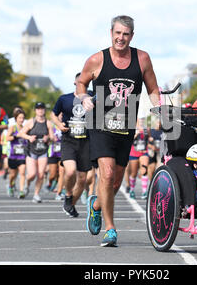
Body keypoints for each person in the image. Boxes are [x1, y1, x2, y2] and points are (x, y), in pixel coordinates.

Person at [78, 15, 160, 247]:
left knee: (115, 183)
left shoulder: (142, 58)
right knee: (106, 173)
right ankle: (111, 229)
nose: (121, 38)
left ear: (131, 36)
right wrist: (84, 97)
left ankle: (96, 206)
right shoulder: (96, 59)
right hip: (100, 124)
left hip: (125, 127)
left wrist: (161, 110)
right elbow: (81, 83)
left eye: (125, 34)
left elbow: (153, 89)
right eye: (117, 33)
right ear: (111, 33)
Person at [51, 73, 93, 217]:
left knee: (82, 179)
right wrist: (58, 125)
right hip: (69, 140)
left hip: (86, 142)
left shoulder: (94, 97)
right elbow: (53, 114)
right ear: (76, 82)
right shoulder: (65, 99)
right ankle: (68, 195)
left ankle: (71, 205)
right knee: (69, 171)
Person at [18, 102, 54, 203]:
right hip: (31, 151)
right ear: (35, 111)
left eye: (42, 108)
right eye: (38, 109)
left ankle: (36, 194)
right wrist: (29, 137)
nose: (40, 110)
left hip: (43, 151)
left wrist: (48, 138)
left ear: (44, 110)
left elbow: (53, 137)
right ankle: (27, 184)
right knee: (32, 174)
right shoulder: (31, 122)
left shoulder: (48, 123)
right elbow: (21, 133)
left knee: (41, 174)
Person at [6, 109, 27, 198]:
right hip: (13, 155)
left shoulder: (25, 128)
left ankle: (21, 191)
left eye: (23, 118)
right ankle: (10, 185)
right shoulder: (12, 128)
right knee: (13, 175)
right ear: (16, 118)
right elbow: (7, 138)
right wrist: (16, 136)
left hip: (22, 155)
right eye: (19, 118)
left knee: (22, 172)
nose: (21, 119)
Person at [127, 120, 150, 199]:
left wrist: (147, 131)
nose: (141, 122)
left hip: (144, 152)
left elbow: (149, 137)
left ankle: (144, 192)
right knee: (133, 173)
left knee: (144, 170)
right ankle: (132, 190)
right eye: (139, 121)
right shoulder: (132, 127)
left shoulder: (146, 128)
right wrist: (136, 133)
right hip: (134, 152)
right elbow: (128, 138)